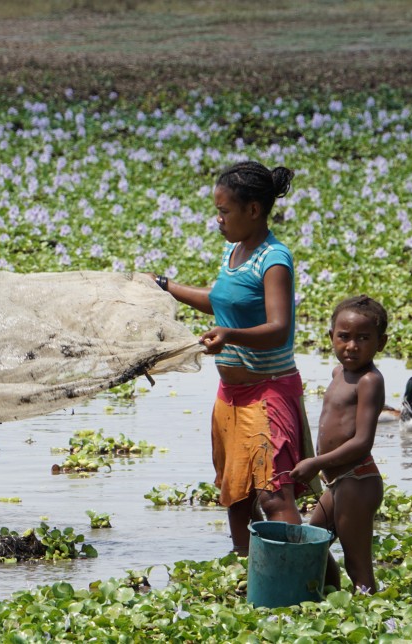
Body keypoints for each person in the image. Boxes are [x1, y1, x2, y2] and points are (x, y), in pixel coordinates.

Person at [151, 160, 313, 555]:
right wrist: (165, 286)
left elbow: (279, 327)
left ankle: (294, 579)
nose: (218, 220)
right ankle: (249, 573)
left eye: (224, 211)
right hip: (231, 396)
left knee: (275, 497)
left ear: (253, 210)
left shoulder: (274, 259)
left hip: (268, 393)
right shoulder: (234, 251)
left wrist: (230, 335)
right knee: (237, 496)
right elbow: (220, 300)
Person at [291, 295, 387, 593]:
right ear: (330, 337)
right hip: (337, 483)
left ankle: (372, 619)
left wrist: (316, 463)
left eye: (363, 338)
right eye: (344, 337)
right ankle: (331, 601)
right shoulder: (337, 373)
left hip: (357, 481)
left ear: (381, 343)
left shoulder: (370, 380)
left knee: (357, 565)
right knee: (311, 544)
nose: (352, 346)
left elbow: (361, 442)